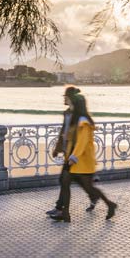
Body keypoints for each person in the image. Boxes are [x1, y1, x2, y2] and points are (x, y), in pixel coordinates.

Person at [50, 92, 117, 223]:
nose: (69, 103)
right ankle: (65, 213)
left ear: (77, 104)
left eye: (72, 102)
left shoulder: (83, 122)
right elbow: (69, 137)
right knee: (65, 182)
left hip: (83, 161)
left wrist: (73, 157)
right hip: (74, 159)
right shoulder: (75, 119)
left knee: (88, 187)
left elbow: (82, 141)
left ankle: (110, 204)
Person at [45, 86, 89, 216]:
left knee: (64, 180)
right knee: (68, 180)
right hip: (67, 151)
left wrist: (75, 153)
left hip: (74, 152)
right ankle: (93, 197)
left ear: (70, 98)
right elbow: (63, 131)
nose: (63, 99)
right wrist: (58, 148)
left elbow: (81, 136)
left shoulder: (80, 115)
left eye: (65, 96)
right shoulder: (67, 113)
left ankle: (62, 210)